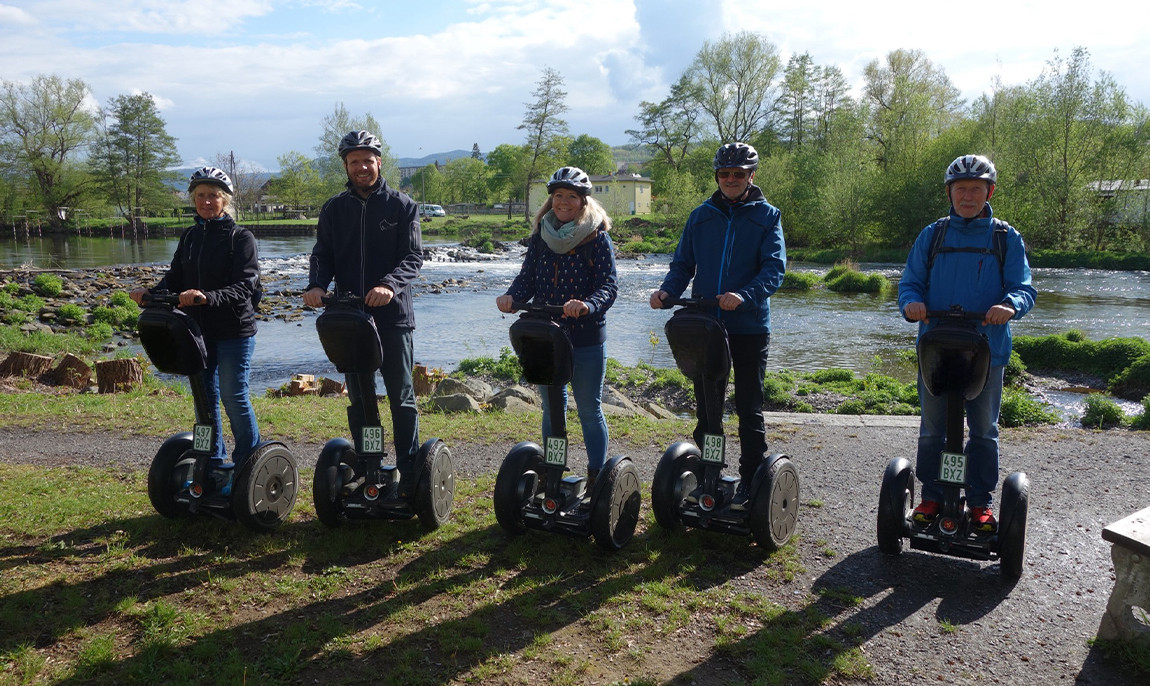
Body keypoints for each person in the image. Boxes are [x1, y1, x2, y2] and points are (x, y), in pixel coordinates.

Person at [898, 154, 1037, 532]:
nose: (968, 196)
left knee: (983, 431)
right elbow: (910, 282)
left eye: (976, 188)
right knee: (932, 429)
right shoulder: (934, 234)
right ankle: (930, 496)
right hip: (937, 348)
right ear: (950, 193)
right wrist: (911, 304)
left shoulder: (1005, 237)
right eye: (961, 189)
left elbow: (1024, 287)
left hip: (986, 349)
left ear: (989, 191)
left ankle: (979, 502)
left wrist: (1009, 306)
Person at [648, 142, 786, 510]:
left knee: (748, 405)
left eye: (738, 174)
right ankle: (710, 471)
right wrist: (667, 291)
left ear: (750, 177)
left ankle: (753, 477)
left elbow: (775, 269)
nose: (731, 179)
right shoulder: (701, 216)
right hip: (706, 325)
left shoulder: (767, 216)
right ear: (717, 176)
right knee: (708, 407)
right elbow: (683, 265)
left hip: (749, 326)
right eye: (724, 174)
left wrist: (744, 295)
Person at [303, 130, 423, 488]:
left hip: (393, 316)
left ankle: (409, 469)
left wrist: (388, 285)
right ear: (346, 165)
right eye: (354, 161)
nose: (361, 167)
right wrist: (316, 285)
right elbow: (322, 254)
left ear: (379, 162)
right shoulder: (334, 209)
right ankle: (370, 463)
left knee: (401, 397)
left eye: (367, 160)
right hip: (349, 317)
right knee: (359, 397)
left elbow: (413, 257)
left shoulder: (402, 206)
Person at [130, 167, 262, 492]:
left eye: (213, 196)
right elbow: (175, 278)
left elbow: (247, 284)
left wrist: (208, 297)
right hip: (197, 333)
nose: (206, 201)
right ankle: (212, 465)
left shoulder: (240, 238)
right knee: (204, 401)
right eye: (200, 196)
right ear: (194, 199)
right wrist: (151, 294)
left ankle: (248, 467)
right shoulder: (190, 237)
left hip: (234, 331)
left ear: (225, 200)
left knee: (234, 398)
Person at [496, 166, 618, 489]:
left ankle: (597, 478)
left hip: (585, 337)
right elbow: (527, 278)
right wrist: (512, 297)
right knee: (552, 409)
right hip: (546, 336)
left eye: (572, 197)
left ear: (582, 201)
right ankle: (554, 471)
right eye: (559, 196)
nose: (564, 202)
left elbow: (609, 286)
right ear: (552, 200)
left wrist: (587, 305)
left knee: (589, 409)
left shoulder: (597, 237)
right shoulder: (541, 234)